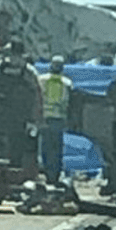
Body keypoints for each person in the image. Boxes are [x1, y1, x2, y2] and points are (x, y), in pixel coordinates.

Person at [0, 41, 42, 168]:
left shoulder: (29, 71)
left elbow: (37, 94)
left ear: (22, 55)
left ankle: (16, 165)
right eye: (10, 54)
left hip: (20, 116)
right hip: (0, 114)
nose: (12, 58)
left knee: (18, 142)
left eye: (15, 55)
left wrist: (35, 115)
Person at [38, 55, 73, 183]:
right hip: (59, 120)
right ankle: (55, 175)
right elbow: (70, 104)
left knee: (45, 147)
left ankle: (47, 173)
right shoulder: (67, 83)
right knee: (57, 149)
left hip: (45, 118)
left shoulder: (41, 80)